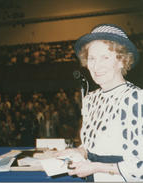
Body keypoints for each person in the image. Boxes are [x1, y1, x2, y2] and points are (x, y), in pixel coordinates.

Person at [53, 24, 143, 182]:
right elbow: (92, 147)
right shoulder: (91, 99)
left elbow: (139, 167)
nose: (96, 66)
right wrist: (79, 152)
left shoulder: (134, 99)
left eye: (105, 57)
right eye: (92, 58)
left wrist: (95, 167)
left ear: (122, 61)